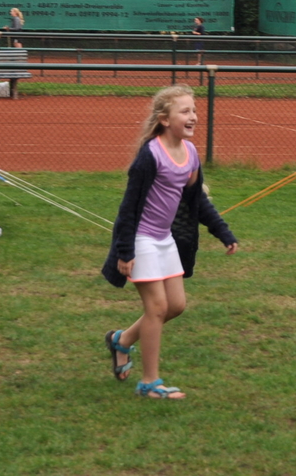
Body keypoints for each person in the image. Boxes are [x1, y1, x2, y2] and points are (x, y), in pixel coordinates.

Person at [101, 85, 239, 400]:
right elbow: (128, 206)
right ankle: (149, 383)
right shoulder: (150, 155)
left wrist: (223, 232)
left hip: (165, 239)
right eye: (185, 111)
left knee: (175, 306)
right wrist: (125, 251)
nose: (193, 116)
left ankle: (122, 340)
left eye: (194, 110)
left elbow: (197, 201)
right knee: (157, 307)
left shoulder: (190, 154)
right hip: (141, 239)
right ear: (165, 119)